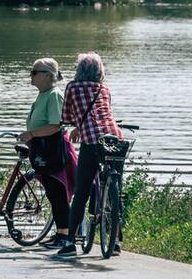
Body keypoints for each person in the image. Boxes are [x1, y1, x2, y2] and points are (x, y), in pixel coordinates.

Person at [55, 51, 123, 258]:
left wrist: (77, 127)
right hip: (115, 139)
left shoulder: (73, 87)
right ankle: (116, 241)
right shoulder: (105, 88)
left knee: (82, 191)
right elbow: (104, 113)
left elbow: (66, 116)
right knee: (116, 189)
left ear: (79, 70)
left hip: (92, 141)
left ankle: (69, 243)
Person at [18, 57, 78, 249]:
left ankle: (66, 235)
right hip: (44, 149)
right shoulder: (43, 94)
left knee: (58, 192)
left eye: (34, 72)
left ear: (47, 75)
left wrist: (31, 133)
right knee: (53, 193)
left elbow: (55, 125)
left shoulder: (54, 95)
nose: (31, 76)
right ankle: (60, 232)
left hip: (54, 149)